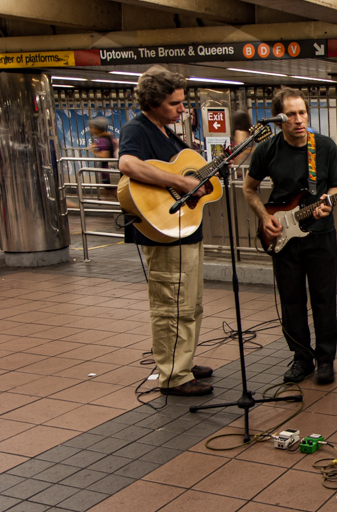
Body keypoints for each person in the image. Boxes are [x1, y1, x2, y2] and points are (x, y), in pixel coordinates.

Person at [118, 65, 214, 396]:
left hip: (184, 230)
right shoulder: (138, 128)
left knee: (190, 302)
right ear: (154, 101)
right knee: (171, 304)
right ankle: (173, 374)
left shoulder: (165, 131)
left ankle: (182, 360)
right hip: (163, 231)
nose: (182, 109)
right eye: (175, 103)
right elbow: (128, 164)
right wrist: (180, 180)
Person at [243, 88, 337, 385]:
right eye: (291, 114)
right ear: (278, 119)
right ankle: (302, 358)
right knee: (291, 300)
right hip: (283, 236)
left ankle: (325, 359)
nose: (299, 120)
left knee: (324, 299)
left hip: (320, 236)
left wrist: (327, 201)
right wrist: (265, 218)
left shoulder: (324, 147)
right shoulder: (267, 150)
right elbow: (249, 189)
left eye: (302, 112)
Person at [88, 116, 116, 201]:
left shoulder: (101, 140)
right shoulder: (108, 136)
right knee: (108, 191)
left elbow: (105, 156)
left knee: (112, 191)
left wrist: (94, 151)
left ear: (97, 129)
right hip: (110, 169)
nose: (90, 129)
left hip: (108, 170)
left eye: (92, 127)